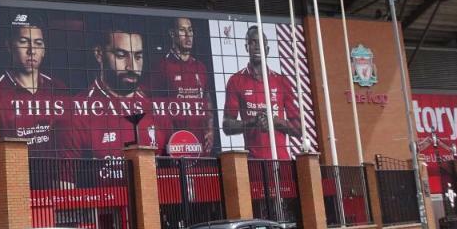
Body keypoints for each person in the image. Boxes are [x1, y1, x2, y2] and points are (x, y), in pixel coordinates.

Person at [60, 23, 168, 162]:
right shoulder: (75, 115)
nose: (132, 67)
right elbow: (64, 183)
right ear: (99, 54)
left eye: (138, 56)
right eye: (121, 55)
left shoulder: (156, 110)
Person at [222, 25, 302, 160]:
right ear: (247, 47)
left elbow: (299, 129)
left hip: (282, 161)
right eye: (252, 42)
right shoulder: (236, 81)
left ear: (267, 49)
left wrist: (274, 122)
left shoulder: (282, 81)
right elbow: (227, 126)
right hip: (253, 162)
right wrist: (252, 122)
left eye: (261, 43)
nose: (257, 47)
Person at [0, 13, 66, 151]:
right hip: (16, 169)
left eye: (38, 43)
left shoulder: (58, 88)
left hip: (55, 171)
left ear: (44, 50)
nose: (32, 50)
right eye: (23, 42)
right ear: (9, 46)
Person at [149, 17, 214, 154]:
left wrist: (210, 128)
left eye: (190, 30)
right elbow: (153, 106)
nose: (188, 35)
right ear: (172, 34)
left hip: (199, 144)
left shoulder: (200, 67)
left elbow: (206, 98)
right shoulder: (161, 66)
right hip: (174, 144)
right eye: (182, 30)